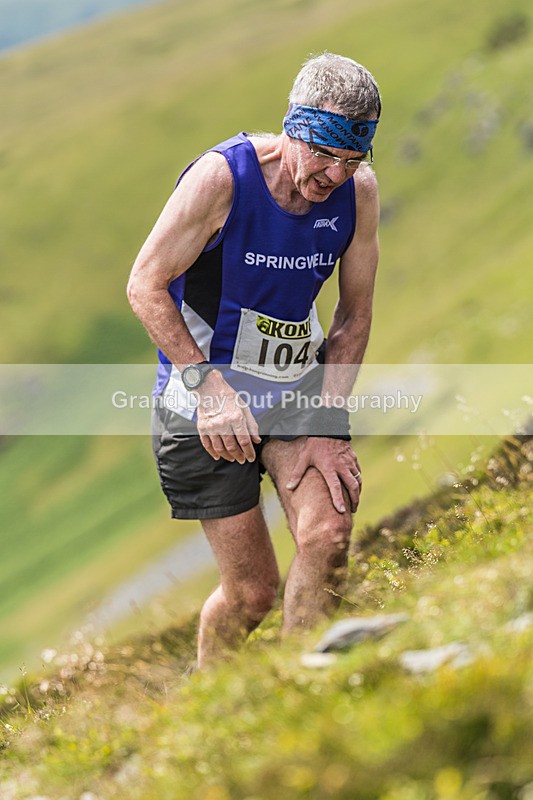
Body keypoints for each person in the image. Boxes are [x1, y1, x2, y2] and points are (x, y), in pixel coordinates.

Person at [127, 52, 381, 669]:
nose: (335, 174)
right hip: (202, 403)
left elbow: (353, 316)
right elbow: (144, 284)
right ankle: (209, 698)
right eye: (324, 154)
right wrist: (208, 387)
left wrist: (328, 420)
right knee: (251, 594)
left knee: (328, 534)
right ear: (294, 127)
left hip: (294, 390)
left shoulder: (357, 194)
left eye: (353, 159)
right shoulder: (222, 180)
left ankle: (305, 684)